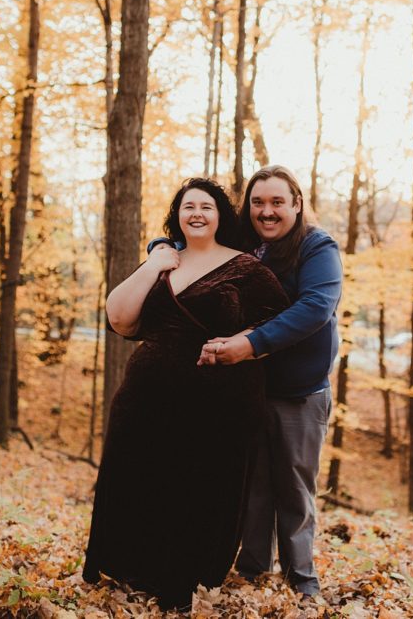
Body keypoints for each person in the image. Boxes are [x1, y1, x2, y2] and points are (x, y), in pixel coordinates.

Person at [82, 178, 288, 610]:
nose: (196, 213)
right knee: (139, 476)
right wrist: (155, 263)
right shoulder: (163, 260)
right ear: (177, 215)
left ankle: (182, 575)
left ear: (220, 217)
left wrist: (240, 344)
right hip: (146, 396)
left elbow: (276, 328)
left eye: (206, 207)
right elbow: (120, 318)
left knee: (194, 484)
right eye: (188, 206)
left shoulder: (247, 269)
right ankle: (130, 564)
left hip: (215, 402)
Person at [195, 165, 343, 598]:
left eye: (278, 202)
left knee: (294, 485)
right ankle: (254, 566)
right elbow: (193, 240)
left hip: (301, 392)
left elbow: (315, 308)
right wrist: (161, 246)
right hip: (249, 390)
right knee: (253, 482)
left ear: (297, 204)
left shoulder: (318, 248)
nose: (267, 211)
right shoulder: (246, 244)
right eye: (258, 203)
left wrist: (251, 343)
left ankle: (302, 577)